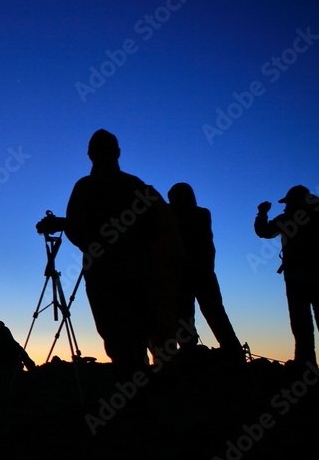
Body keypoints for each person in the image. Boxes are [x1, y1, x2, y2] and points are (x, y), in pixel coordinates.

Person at [37, 130, 160, 375]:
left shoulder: (87, 186)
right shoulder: (135, 185)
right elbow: (155, 226)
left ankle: (133, 383)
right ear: (117, 152)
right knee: (140, 328)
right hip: (135, 270)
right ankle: (149, 383)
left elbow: (78, 228)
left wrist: (68, 228)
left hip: (107, 272)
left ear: (89, 155)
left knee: (117, 331)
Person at [254, 185, 319, 370]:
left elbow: (263, 231)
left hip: (296, 278)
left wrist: (262, 213)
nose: (285, 205)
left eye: (288, 201)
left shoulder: (289, 218)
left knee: (301, 323)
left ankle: (305, 363)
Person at [168, 183, 245, 360]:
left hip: (186, 274)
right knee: (213, 312)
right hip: (204, 273)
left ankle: (191, 351)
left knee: (185, 314)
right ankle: (232, 350)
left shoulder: (177, 214)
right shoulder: (202, 213)